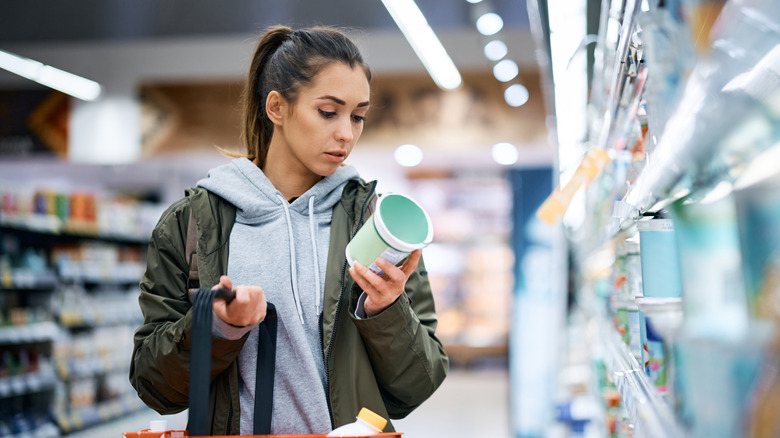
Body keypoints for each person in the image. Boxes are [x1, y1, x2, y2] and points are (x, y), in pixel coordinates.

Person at [129, 25, 449, 436]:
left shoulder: (376, 225)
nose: (346, 134)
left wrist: (386, 312)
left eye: (358, 116)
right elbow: (155, 388)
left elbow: (416, 387)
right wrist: (219, 326)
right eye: (328, 112)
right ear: (276, 107)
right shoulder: (191, 224)